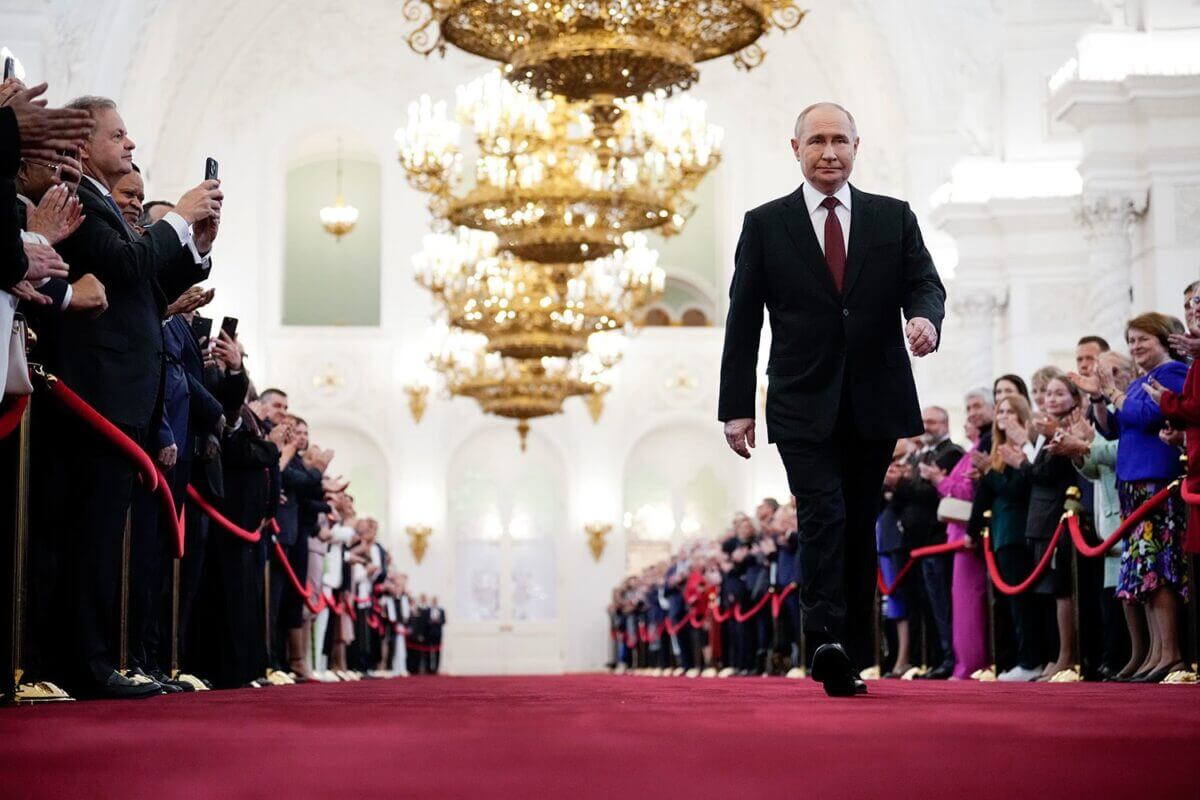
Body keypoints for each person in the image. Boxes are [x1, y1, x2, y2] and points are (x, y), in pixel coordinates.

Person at [718, 101, 946, 697]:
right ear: (795, 149)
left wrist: (925, 319)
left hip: (875, 397)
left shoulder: (893, 218)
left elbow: (924, 282)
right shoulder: (765, 224)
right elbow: (742, 322)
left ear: (856, 146)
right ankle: (823, 640)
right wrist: (736, 405)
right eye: (817, 140)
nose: (829, 152)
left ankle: (850, 649)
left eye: (839, 140)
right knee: (824, 514)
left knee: (857, 523)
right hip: (799, 400)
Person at [47, 95, 221, 698]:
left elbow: (143, 288)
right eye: (118, 134)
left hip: (124, 392)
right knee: (89, 534)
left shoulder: (103, 203)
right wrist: (176, 219)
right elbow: (123, 267)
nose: (130, 144)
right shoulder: (79, 197)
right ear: (84, 141)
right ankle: (86, 664)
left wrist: (192, 246)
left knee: (105, 535)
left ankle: (102, 658)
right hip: (96, 389)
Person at [1075, 313, 1188, 682]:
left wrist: (1112, 391)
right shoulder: (1140, 381)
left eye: (1144, 340)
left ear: (1165, 340)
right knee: (1144, 572)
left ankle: (1170, 653)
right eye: (1132, 340)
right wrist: (1099, 398)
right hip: (1133, 483)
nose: (1136, 347)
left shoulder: (1173, 374)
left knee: (1160, 570)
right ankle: (1155, 654)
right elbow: (1114, 426)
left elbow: (1146, 415)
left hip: (1157, 480)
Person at [971, 395, 1041, 680]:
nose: (1004, 416)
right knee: (1007, 603)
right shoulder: (998, 449)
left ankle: (1030, 660)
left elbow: (1015, 490)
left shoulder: (1024, 446)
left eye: (1011, 411)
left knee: (1022, 602)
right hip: (1000, 531)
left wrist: (989, 471)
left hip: (1017, 529)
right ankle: (1015, 660)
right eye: (1000, 410)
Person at [933, 388, 993, 679]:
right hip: (958, 535)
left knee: (971, 604)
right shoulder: (973, 450)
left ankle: (972, 664)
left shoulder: (983, 447)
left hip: (969, 532)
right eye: (968, 407)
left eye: (978, 405)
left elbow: (967, 492)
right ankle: (964, 663)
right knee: (962, 604)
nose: (971, 412)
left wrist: (938, 481)